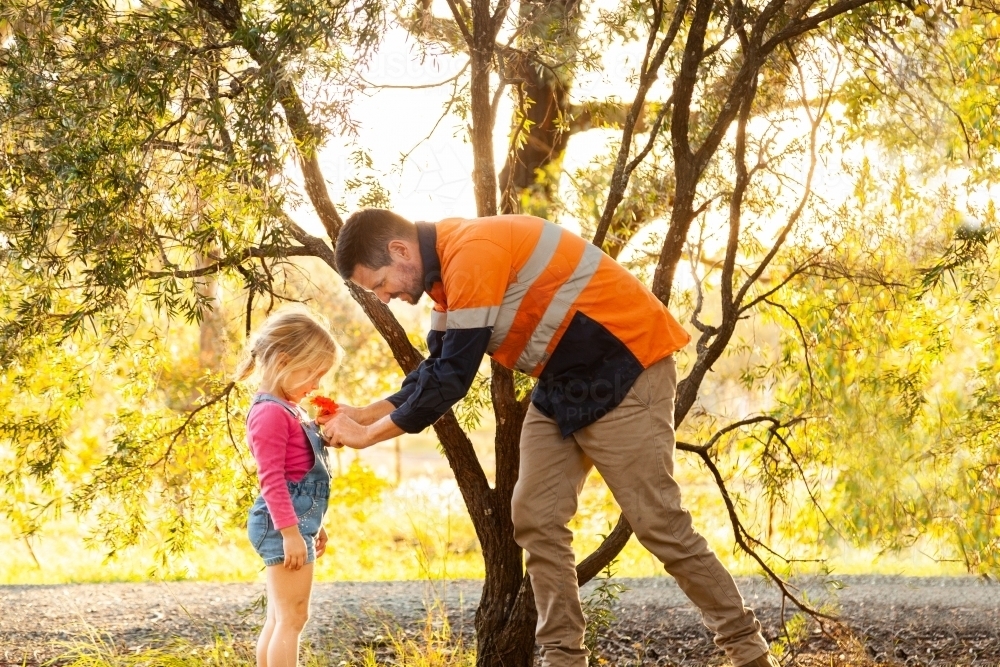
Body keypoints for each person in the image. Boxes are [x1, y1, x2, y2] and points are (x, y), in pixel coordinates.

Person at [324, 209, 779, 667]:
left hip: (626, 367)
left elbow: (451, 381)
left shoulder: (471, 253)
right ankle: (564, 659)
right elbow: (433, 370)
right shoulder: (445, 278)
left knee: (658, 522)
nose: (385, 298)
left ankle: (749, 653)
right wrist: (361, 414)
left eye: (381, 284)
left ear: (401, 251)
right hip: (566, 381)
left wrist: (367, 437)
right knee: (535, 517)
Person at [235, 306, 342, 667]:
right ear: (283, 360)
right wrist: (292, 533)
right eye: (313, 374)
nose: (316, 385)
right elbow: (273, 480)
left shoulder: (288, 410)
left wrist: (315, 524)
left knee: (281, 618)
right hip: (283, 526)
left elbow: (302, 477)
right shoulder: (269, 413)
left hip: (294, 523)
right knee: (293, 619)